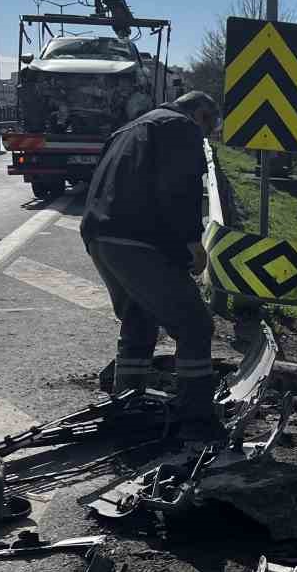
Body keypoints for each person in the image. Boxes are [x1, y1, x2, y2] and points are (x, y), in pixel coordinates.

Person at [81, 89, 220, 433]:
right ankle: (194, 412)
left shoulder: (130, 128)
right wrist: (192, 242)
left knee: (139, 317)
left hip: (101, 236)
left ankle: (126, 399)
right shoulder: (179, 127)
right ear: (200, 114)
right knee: (194, 323)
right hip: (137, 240)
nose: (203, 136)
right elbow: (179, 187)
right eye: (208, 129)